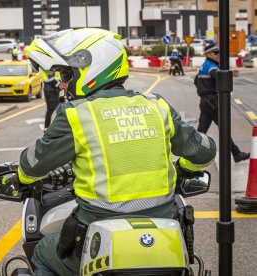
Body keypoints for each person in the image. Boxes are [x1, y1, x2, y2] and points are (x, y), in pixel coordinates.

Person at [18, 28, 217, 275]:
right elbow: (205, 152)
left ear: (90, 70)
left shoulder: (76, 115)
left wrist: (20, 178)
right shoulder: (157, 106)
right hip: (163, 234)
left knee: (43, 253)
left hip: (96, 233)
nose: (61, 83)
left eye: (66, 74)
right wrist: (183, 169)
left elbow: (31, 167)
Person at [194, 43, 249, 163]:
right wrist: (230, 74)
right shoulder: (212, 66)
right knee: (224, 128)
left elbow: (195, 81)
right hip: (213, 103)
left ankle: (192, 154)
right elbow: (218, 76)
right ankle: (237, 153)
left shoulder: (204, 65)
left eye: (218, 52)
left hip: (205, 102)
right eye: (215, 53)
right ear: (208, 54)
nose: (218, 55)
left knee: (202, 130)